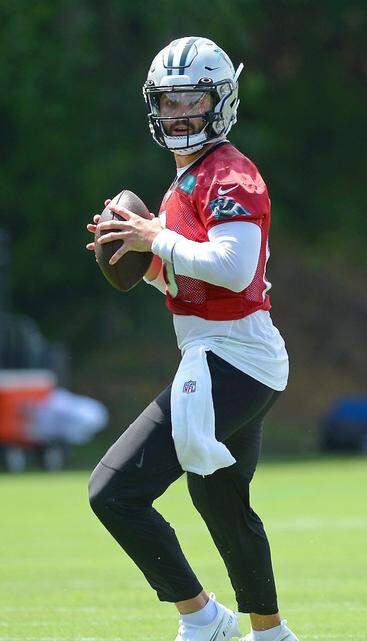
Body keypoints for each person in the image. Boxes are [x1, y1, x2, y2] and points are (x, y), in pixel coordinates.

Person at [85, 37, 298, 641]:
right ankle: (269, 631)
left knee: (115, 492)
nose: (179, 113)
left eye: (192, 99)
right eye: (168, 101)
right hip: (223, 354)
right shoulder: (185, 182)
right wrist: (148, 261)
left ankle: (203, 617)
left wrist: (155, 238)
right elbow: (193, 278)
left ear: (220, 100)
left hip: (235, 357)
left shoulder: (230, 173)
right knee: (222, 504)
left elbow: (233, 268)